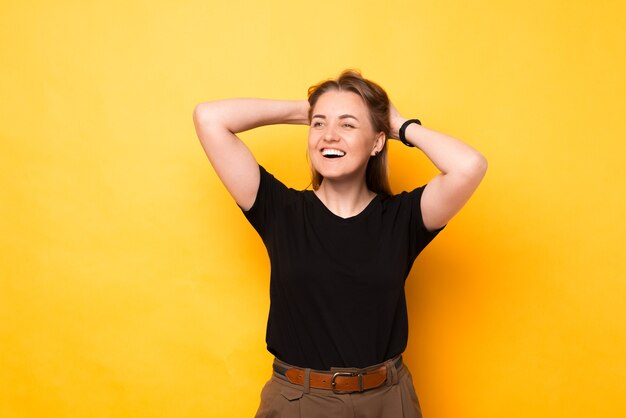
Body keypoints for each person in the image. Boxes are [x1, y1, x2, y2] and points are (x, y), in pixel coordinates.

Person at [193, 70, 487, 417]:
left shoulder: (403, 218)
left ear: (378, 141)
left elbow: (469, 166)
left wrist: (400, 124)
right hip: (298, 402)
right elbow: (208, 118)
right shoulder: (280, 210)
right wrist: (308, 111)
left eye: (348, 125)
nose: (328, 136)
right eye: (319, 125)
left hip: (388, 401)